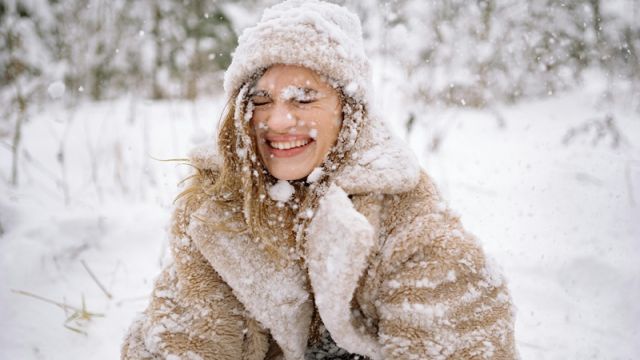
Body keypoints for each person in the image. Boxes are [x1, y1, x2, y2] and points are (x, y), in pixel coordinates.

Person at [121, 1, 517, 359]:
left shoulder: (409, 222)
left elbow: (462, 338)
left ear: (348, 111)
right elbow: (185, 342)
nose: (276, 121)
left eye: (304, 98)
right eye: (260, 101)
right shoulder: (216, 208)